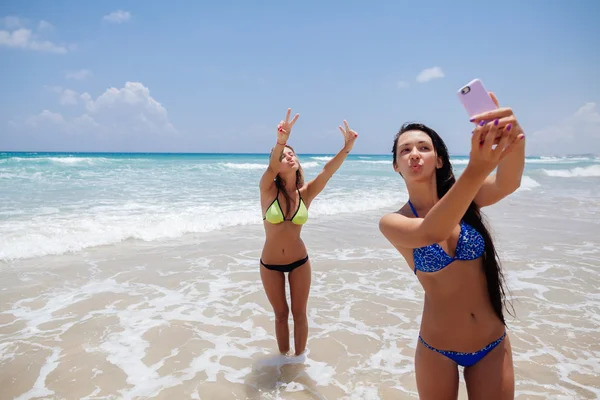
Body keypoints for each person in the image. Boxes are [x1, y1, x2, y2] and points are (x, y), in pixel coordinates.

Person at [379, 93, 525, 399]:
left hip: (491, 344)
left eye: (424, 147)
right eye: (405, 150)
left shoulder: (468, 200)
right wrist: (477, 168)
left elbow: (507, 182)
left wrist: (514, 138)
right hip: (437, 349)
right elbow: (433, 230)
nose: (414, 154)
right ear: (396, 166)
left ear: (439, 159)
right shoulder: (393, 222)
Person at [259, 108, 358, 356]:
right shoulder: (267, 190)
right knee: (281, 315)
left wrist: (346, 148)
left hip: (299, 262)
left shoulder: (306, 193)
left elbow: (328, 171)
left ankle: (298, 363)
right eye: (283, 155)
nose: (289, 157)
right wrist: (281, 141)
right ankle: (283, 363)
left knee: (300, 314)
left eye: (292, 154)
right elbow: (271, 168)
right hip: (270, 264)